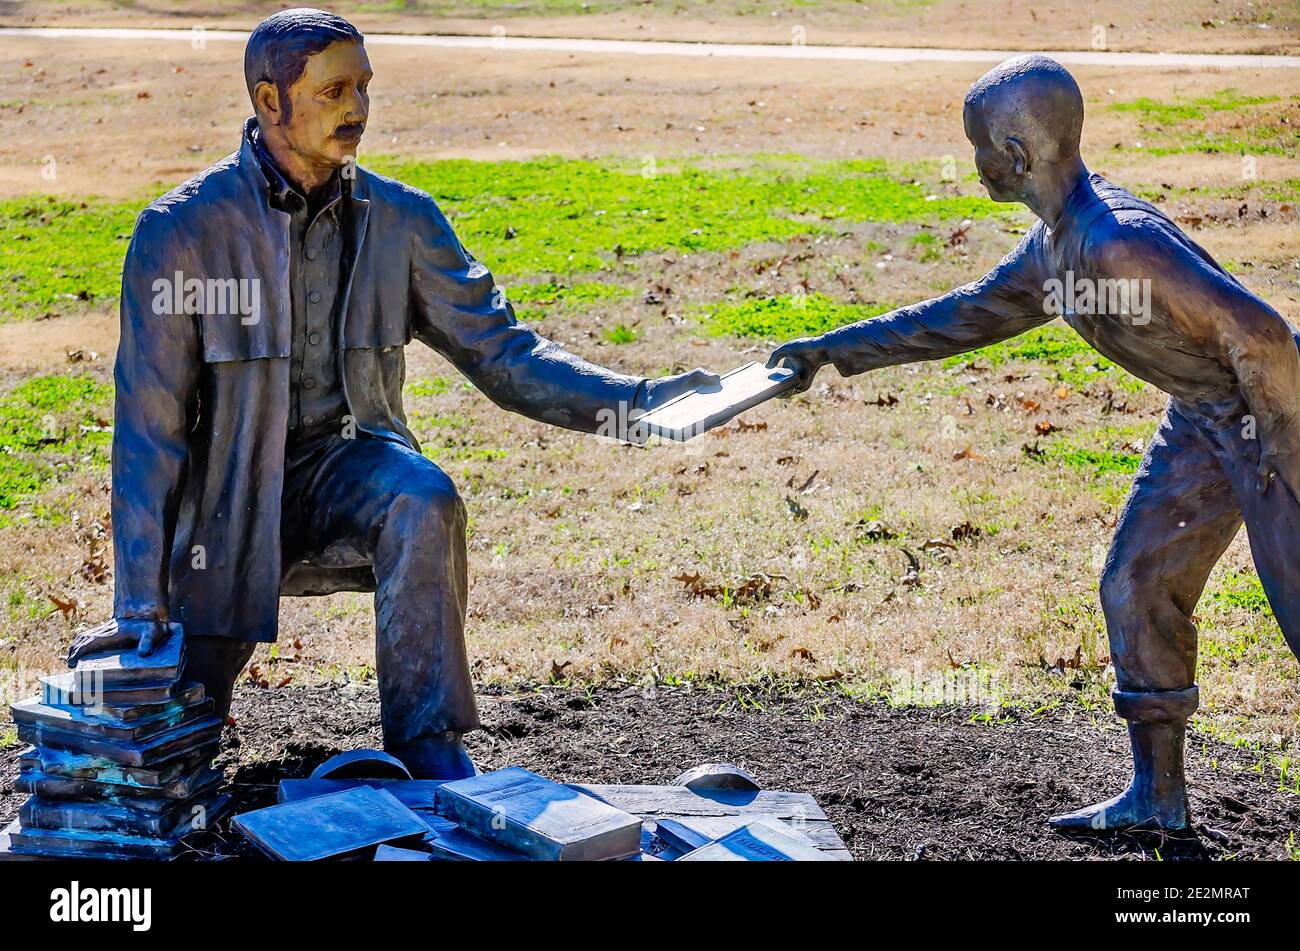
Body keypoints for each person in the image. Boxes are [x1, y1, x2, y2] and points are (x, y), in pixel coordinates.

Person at [68, 8, 716, 780]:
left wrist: (635, 404)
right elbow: (150, 431)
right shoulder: (181, 232)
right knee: (165, 758)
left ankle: (429, 745)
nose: (358, 110)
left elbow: (506, 355)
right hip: (229, 505)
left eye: (364, 87)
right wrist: (139, 599)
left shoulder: (405, 221)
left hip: (351, 471)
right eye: (335, 90)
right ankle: (188, 733)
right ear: (269, 101)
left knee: (421, 494)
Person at [769, 54, 1300, 830]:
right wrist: (830, 350)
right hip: (1207, 417)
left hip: (1275, 415)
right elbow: (958, 318)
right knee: (1135, 583)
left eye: (978, 146)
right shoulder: (1056, 250)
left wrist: (1280, 459)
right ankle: (1158, 801)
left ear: (1014, 156)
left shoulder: (1117, 241)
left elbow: (1263, 335)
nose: (974, 162)